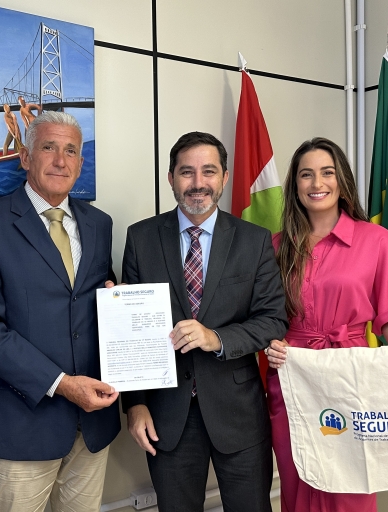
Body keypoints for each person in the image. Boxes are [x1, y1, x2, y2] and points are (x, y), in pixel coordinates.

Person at [264, 137, 388, 512]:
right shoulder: (275, 246)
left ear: (342, 180)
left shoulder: (376, 241)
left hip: (354, 380)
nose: (317, 183)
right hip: (293, 380)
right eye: (306, 175)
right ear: (295, 186)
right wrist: (272, 344)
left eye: (327, 173)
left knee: (351, 486)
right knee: (298, 482)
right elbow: (263, 320)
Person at [0, 111, 120, 512]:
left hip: (93, 425)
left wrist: (120, 303)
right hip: (21, 422)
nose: (60, 161)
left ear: (81, 163)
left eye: (71, 151)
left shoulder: (100, 224)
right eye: (49, 147)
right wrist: (62, 383)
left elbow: (92, 301)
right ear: (25, 157)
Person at [122, 131, 287, 512]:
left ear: (225, 177)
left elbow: (272, 319)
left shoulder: (255, 240)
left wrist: (216, 338)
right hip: (166, 415)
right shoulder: (141, 238)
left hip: (239, 413)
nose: (198, 183)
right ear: (171, 178)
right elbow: (129, 333)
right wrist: (135, 405)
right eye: (187, 172)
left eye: (208, 172)